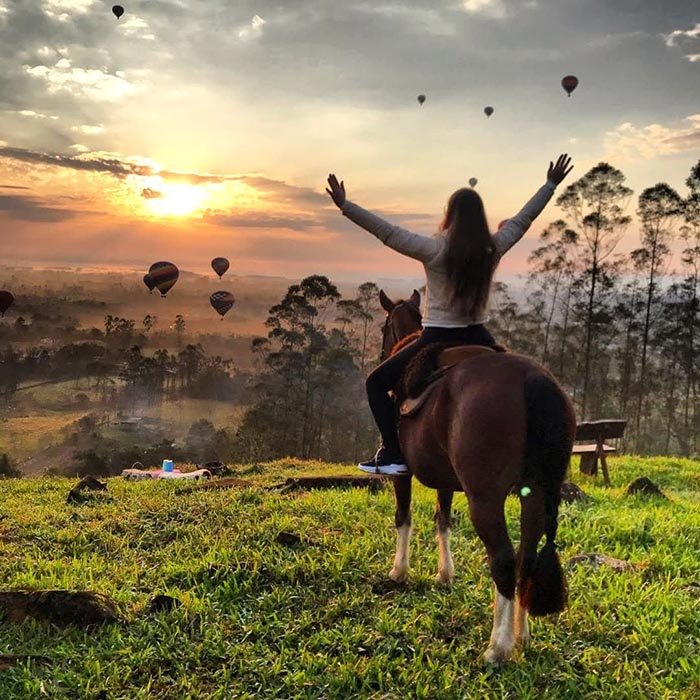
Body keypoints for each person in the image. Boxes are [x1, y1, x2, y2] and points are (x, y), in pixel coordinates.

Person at [326, 154, 574, 475]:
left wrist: (347, 207)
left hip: (437, 338)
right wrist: (550, 185)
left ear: (450, 215)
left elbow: (387, 232)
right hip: (480, 336)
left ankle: (393, 453)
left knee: (376, 383)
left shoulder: (435, 249)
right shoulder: (492, 247)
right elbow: (523, 220)